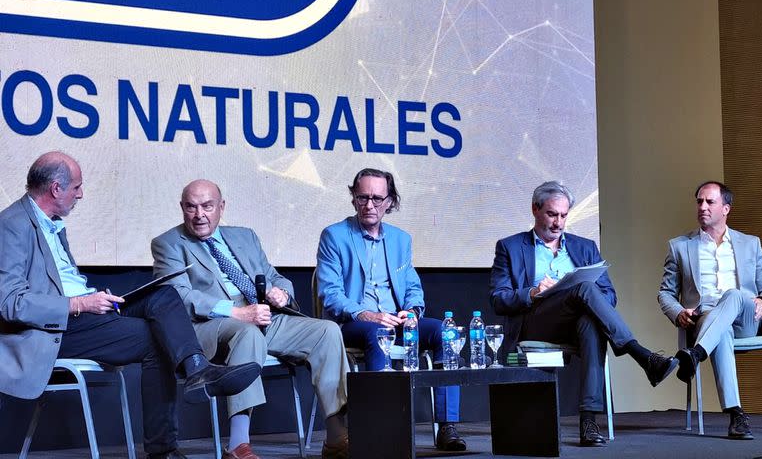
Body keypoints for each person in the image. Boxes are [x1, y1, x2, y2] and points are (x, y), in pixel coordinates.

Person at [0, 152, 261, 459]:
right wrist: (79, 303)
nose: (81, 194)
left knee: (163, 295)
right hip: (53, 329)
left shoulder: (50, 223)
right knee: (156, 338)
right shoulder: (12, 225)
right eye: (77, 187)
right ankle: (164, 449)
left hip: (84, 312)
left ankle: (196, 368)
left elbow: (58, 281)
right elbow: (10, 303)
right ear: (56, 188)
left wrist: (91, 297)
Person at [151, 180, 350, 459]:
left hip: (261, 315)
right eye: (191, 207)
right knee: (247, 332)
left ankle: (336, 436)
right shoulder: (168, 244)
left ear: (222, 207)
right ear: (182, 208)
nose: (199, 215)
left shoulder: (245, 237)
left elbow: (275, 276)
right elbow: (178, 297)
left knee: (326, 331)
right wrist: (235, 313)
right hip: (211, 327)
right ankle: (238, 445)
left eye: (207, 206)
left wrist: (281, 293)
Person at [490, 181, 678, 447]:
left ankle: (588, 421)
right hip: (535, 322)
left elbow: (610, 296)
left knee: (590, 319)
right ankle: (643, 356)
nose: (558, 223)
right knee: (584, 288)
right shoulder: (510, 247)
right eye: (552, 214)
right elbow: (498, 299)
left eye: (564, 216)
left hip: (574, 323)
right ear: (535, 209)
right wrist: (532, 292)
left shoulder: (585, 247)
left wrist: (582, 294)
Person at [316, 168, 466, 452]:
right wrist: (366, 314)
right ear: (353, 199)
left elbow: (413, 287)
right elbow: (330, 295)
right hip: (354, 323)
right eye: (362, 198)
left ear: (389, 202)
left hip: (395, 321)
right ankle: (379, 428)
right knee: (378, 332)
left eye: (376, 198)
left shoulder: (400, 240)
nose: (369, 205)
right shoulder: (334, 236)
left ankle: (447, 426)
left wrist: (412, 312)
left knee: (444, 332)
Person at [659, 181, 762, 440]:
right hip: (706, 319)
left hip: (746, 317)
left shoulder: (750, 243)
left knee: (733, 295)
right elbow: (665, 293)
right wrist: (678, 312)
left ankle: (695, 354)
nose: (702, 207)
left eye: (710, 202)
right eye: (699, 201)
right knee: (722, 333)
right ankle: (736, 414)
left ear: (726, 208)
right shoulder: (680, 246)